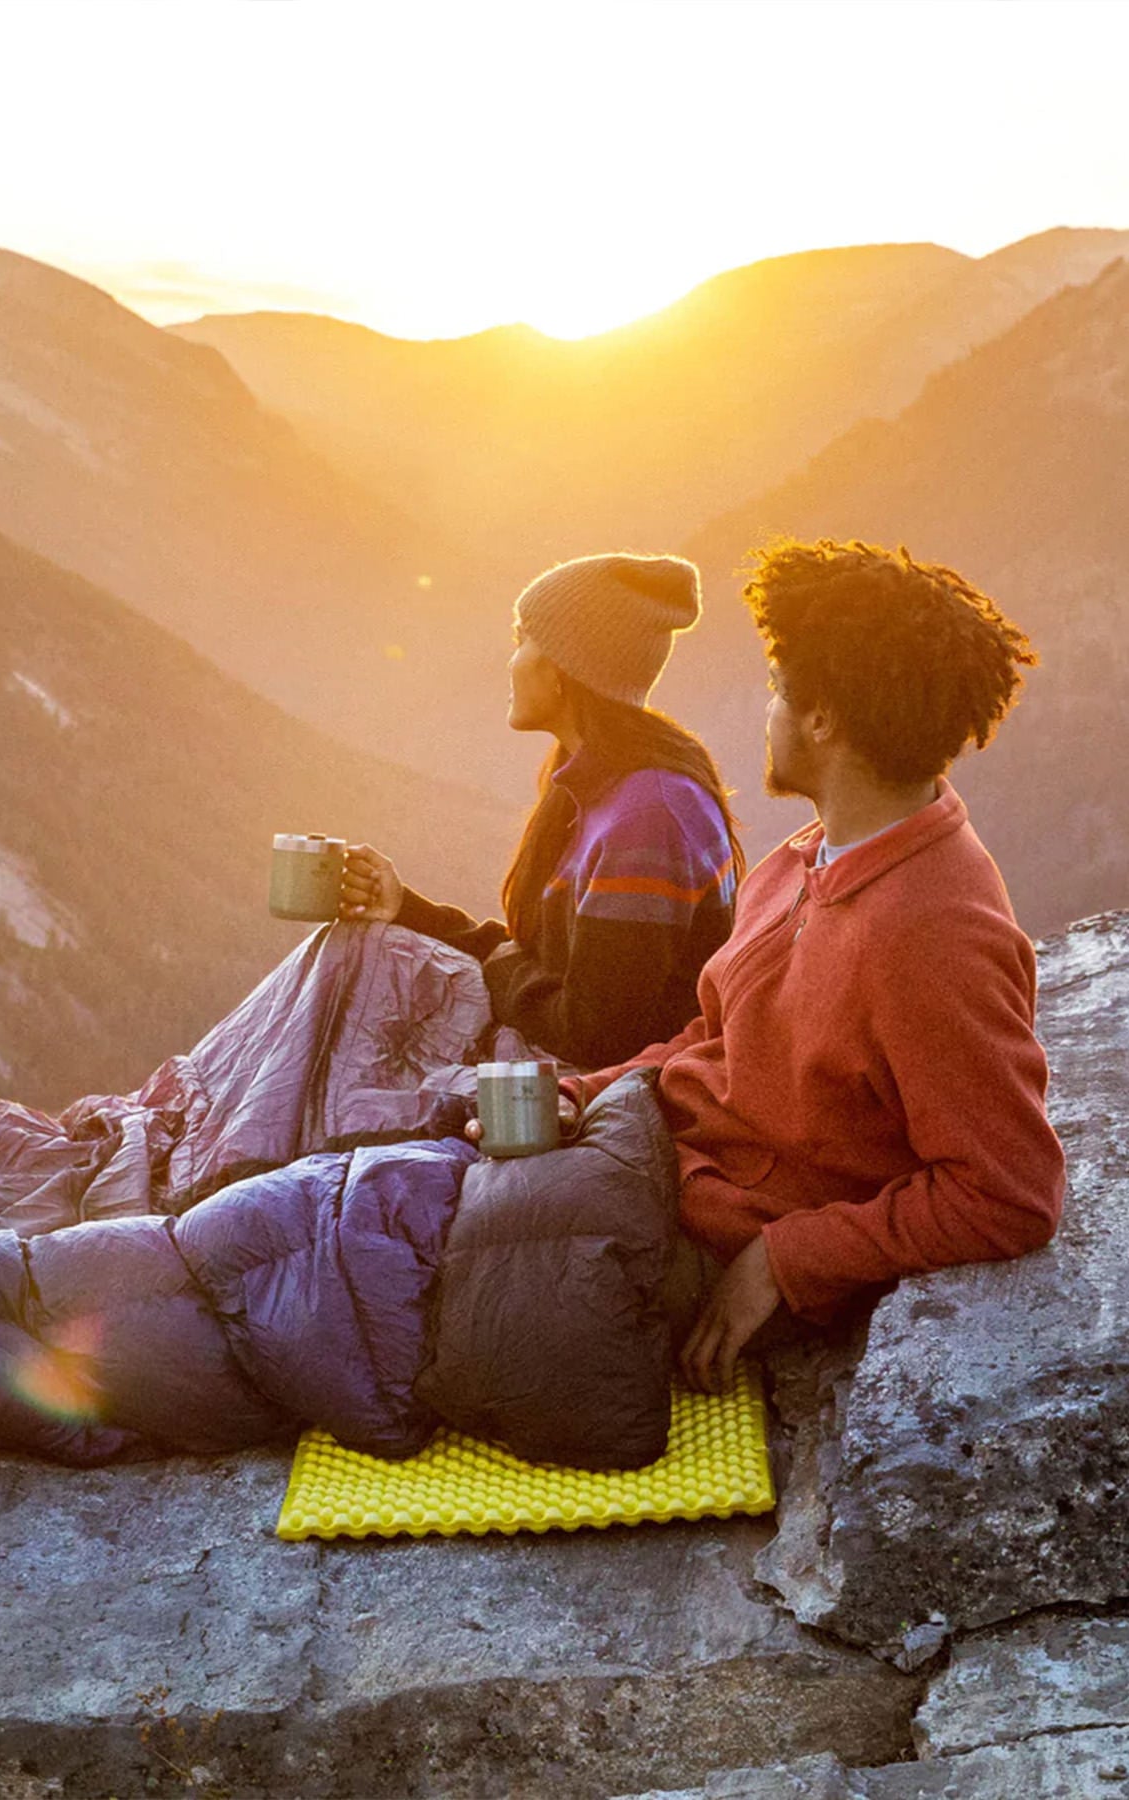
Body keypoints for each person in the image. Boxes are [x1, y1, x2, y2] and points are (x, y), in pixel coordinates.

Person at [474, 538, 1066, 1391]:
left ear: (823, 719)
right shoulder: (805, 860)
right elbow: (710, 1034)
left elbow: (1009, 1192)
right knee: (391, 1193)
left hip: (710, 1239)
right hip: (655, 1161)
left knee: (396, 1272)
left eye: (779, 691)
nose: (767, 711)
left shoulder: (934, 930)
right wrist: (586, 1093)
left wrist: (785, 1259)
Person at [342, 551, 743, 1070]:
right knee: (352, 954)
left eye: (521, 640)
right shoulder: (595, 787)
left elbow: (592, 1036)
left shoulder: (649, 815)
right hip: (571, 1076)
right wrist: (406, 911)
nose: (511, 661)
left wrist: (500, 964)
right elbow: (544, 969)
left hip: (616, 1097)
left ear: (563, 669)